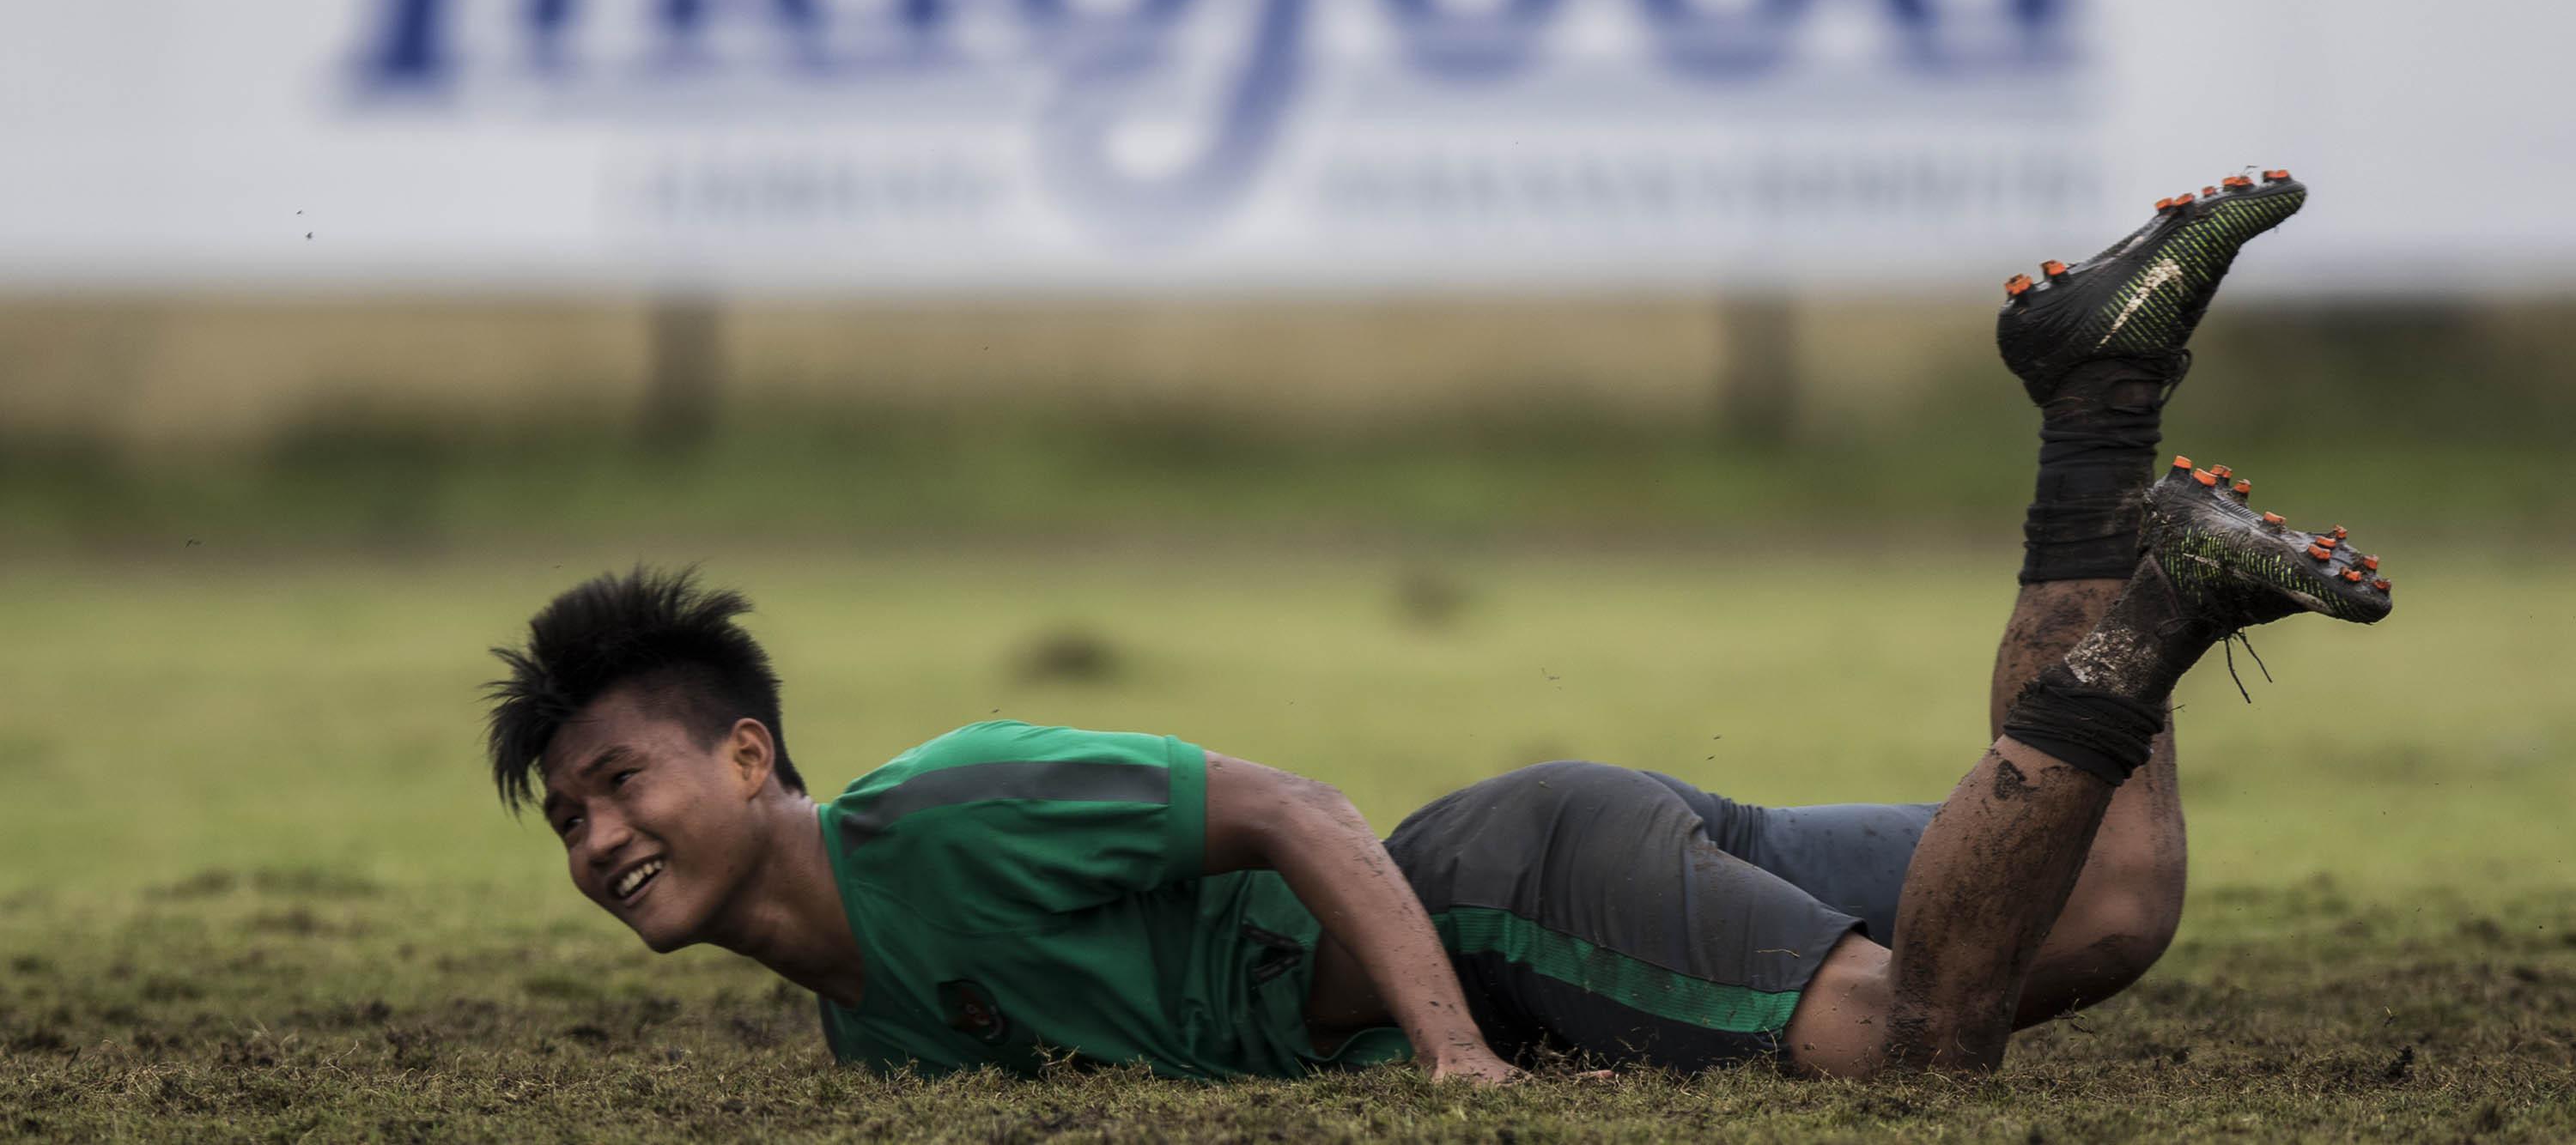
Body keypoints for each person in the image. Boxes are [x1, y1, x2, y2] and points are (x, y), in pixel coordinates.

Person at [482, 168, 2394, 1081]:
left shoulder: (943, 813)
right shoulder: (868, 1033)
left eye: (616, 778)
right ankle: (2099, 415)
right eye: (567, 817)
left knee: (1917, 1042)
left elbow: (1297, 810)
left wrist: (1460, 1059)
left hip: (1513, 895)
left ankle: (2155, 615)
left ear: (749, 751)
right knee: (2114, 895)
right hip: (1552, 883)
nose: (597, 836)